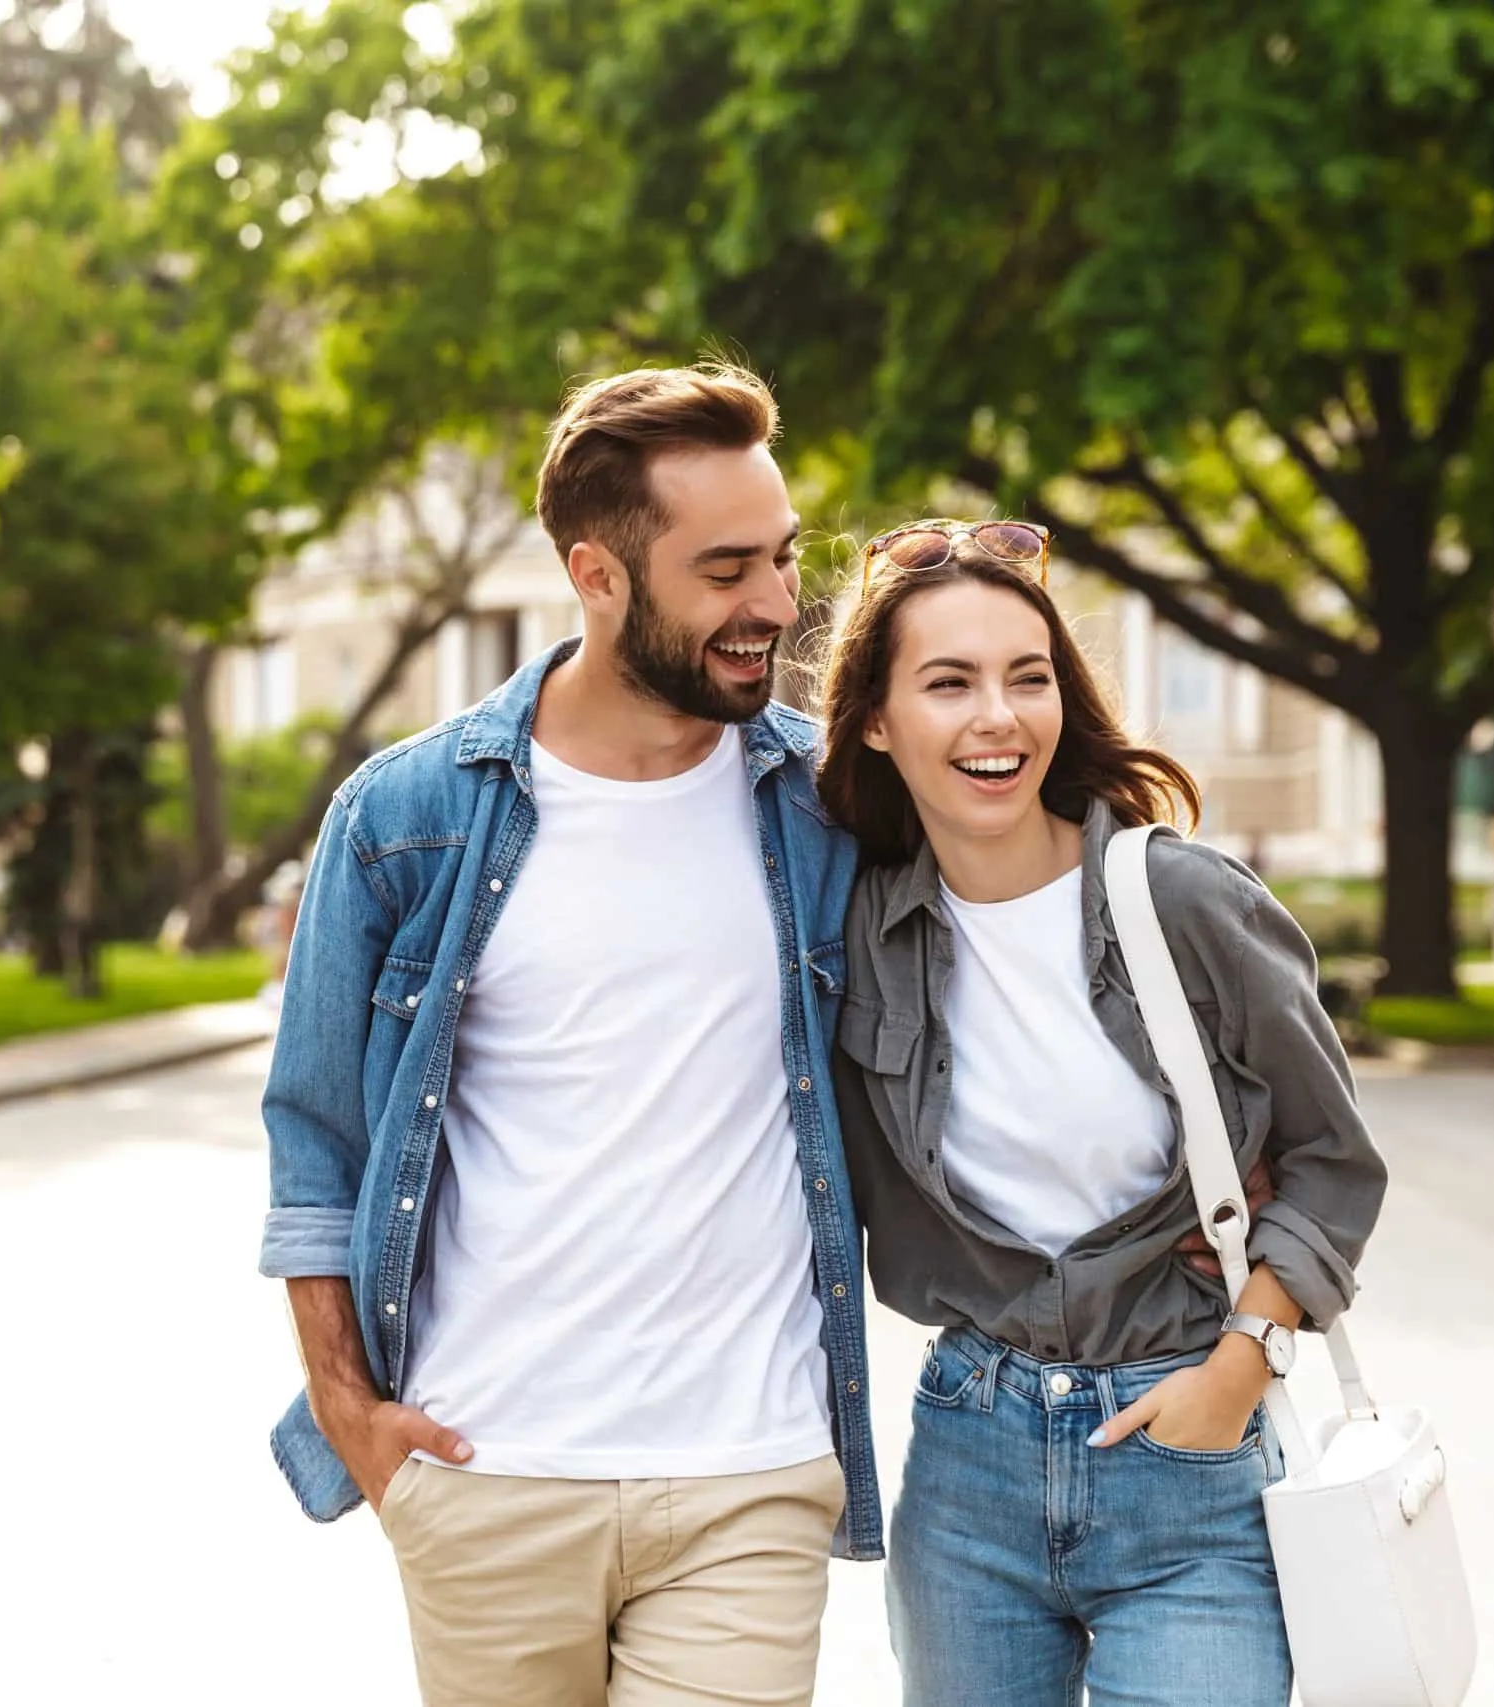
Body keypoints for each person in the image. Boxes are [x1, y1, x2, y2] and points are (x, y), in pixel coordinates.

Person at [256, 363, 881, 1707]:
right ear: (596, 574)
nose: (776, 603)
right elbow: (314, 1139)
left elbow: (1005, 966)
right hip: (490, 1472)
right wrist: (354, 1419)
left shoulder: (827, 802)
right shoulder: (406, 815)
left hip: (748, 1470)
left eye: (782, 557)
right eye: (727, 569)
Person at [816, 519, 1389, 1707]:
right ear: (877, 719)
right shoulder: (853, 933)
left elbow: (1333, 1162)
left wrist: (1242, 1362)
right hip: (968, 1457)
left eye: (1029, 680)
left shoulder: (1178, 900)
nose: (998, 718)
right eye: (949, 683)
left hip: (1190, 1452)